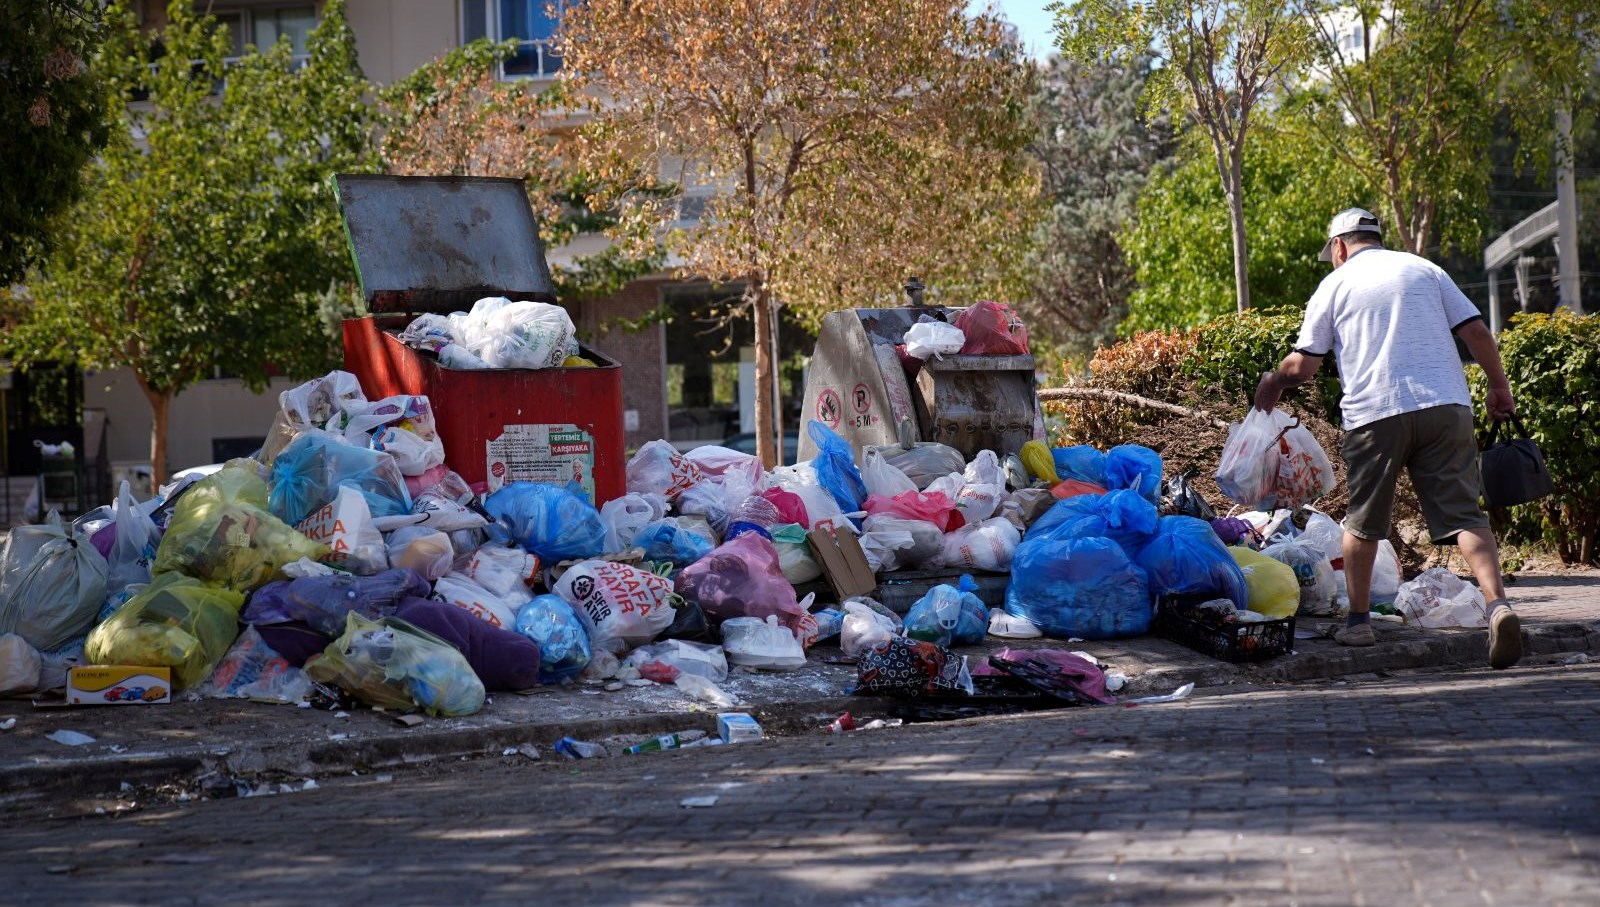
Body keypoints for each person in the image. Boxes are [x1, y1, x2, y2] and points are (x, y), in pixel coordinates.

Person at [1254, 207, 1521, 668]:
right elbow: (1476, 331)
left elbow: (1304, 366)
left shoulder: (1334, 285)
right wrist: (1500, 387)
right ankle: (1498, 605)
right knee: (1465, 515)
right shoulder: (1425, 269)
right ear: (1376, 237)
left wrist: (1273, 382)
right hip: (1446, 406)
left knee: (1363, 521)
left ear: (1339, 247)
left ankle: (1358, 625)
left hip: (1376, 414)